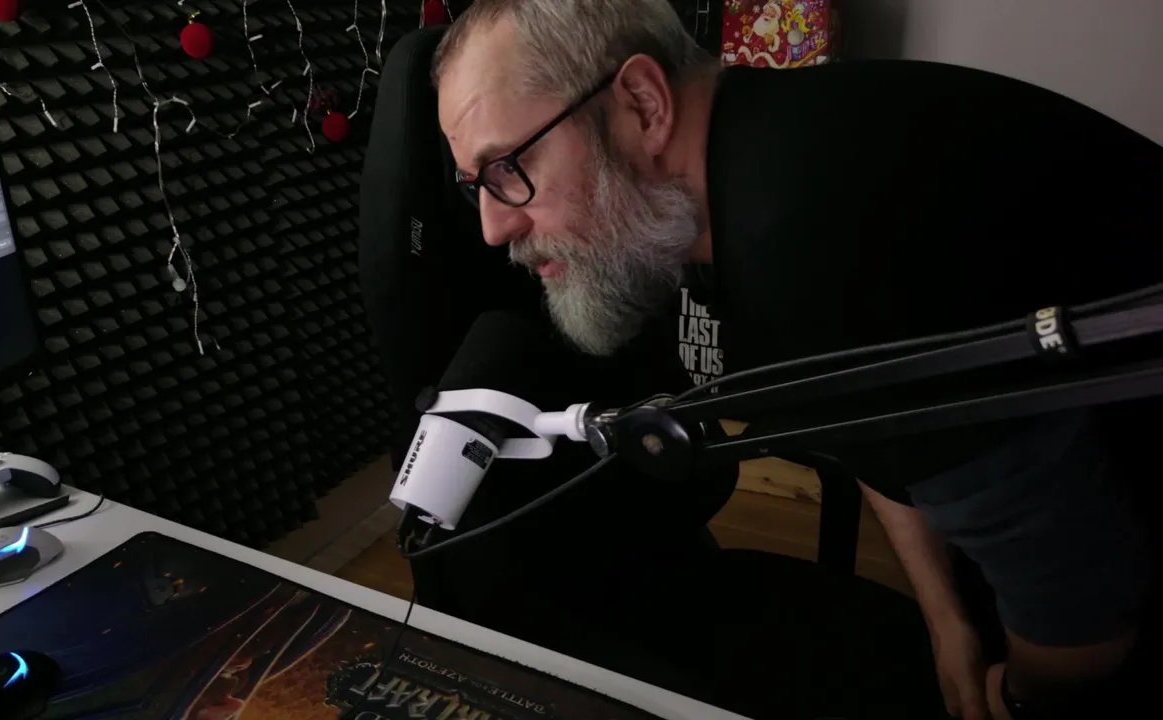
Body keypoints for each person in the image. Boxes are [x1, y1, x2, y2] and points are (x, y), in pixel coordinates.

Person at [431, 1, 1163, 719]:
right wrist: (947, 619)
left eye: (510, 166)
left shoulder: (812, 225)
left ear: (645, 106)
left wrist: (1020, 699)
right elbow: (872, 417)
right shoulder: (718, 181)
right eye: (474, 185)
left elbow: (1079, 599)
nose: (494, 226)